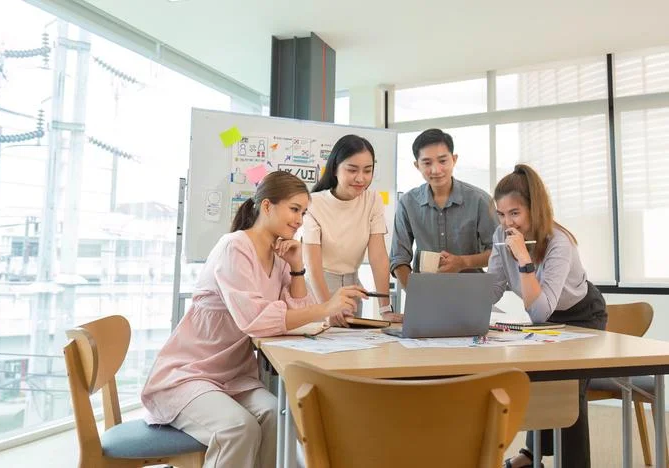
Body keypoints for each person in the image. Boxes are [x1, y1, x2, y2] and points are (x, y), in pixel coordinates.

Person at [140, 171, 366, 467]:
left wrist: (297, 267)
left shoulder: (279, 251)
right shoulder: (235, 247)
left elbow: (299, 314)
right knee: (238, 428)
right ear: (268, 206)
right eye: (294, 209)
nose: (300, 220)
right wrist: (327, 308)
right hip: (188, 375)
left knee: (276, 414)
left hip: (232, 377)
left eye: (304, 212)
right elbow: (256, 320)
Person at [489, 164, 608, 468]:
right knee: (535, 377)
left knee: (568, 389)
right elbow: (493, 287)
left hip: (583, 315)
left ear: (534, 208)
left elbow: (542, 311)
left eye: (514, 213)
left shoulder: (559, 242)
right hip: (549, 318)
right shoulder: (500, 237)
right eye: (501, 214)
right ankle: (532, 454)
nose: (507, 223)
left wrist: (524, 260)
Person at [303, 134, 395, 323]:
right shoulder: (313, 203)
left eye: (367, 170)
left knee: (350, 349)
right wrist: (327, 307)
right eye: (352, 170)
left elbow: (378, 257)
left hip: (352, 288)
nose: (361, 178)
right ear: (335, 169)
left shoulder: (373, 200)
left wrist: (385, 309)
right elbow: (312, 265)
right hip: (317, 289)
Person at [390, 128, 498, 289]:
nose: (436, 170)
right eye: (427, 163)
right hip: (425, 293)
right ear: (417, 165)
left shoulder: (480, 200)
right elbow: (399, 259)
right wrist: (416, 293)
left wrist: (463, 262)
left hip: (472, 291)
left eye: (442, 161)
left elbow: (499, 253)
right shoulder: (407, 203)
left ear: (454, 159)